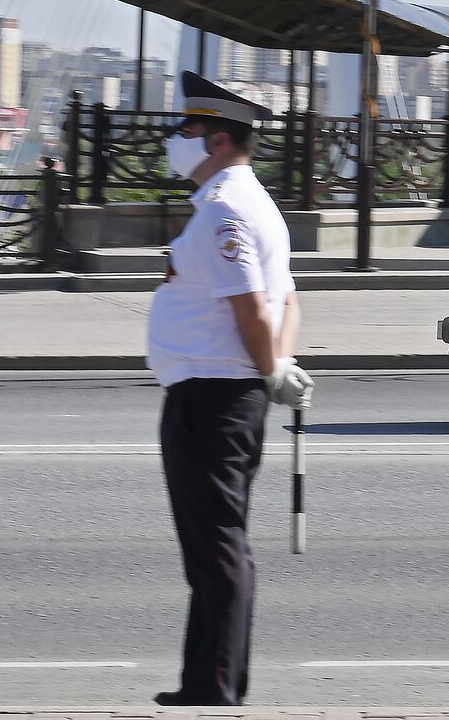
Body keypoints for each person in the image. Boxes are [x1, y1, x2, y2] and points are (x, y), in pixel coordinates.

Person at [148, 72, 314, 707]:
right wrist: (280, 360)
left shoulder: (224, 208)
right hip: (218, 394)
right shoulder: (248, 202)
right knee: (213, 545)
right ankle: (204, 680)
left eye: (187, 130)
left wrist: (270, 366)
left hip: (212, 400)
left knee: (217, 548)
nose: (177, 140)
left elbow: (252, 308)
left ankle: (216, 687)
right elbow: (288, 299)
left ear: (216, 139)